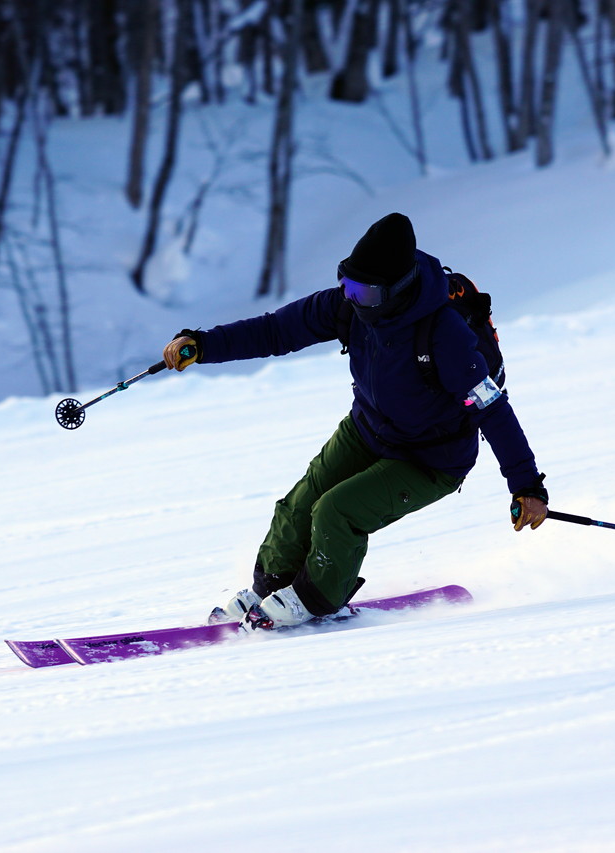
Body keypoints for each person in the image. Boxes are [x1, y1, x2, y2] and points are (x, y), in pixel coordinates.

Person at [162, 213, 548, 632]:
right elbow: (276, 330)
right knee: (298, 505)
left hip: (430, 458)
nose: (350, 296)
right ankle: (270, 588)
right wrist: (204, 345)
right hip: (367, 430)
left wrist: (526, 485)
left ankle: (317, 598)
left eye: (362, 291)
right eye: (346, 283)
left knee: (337, 511)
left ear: (395, 290)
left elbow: (492, 408)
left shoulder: (444, 334)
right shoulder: (348, 308)